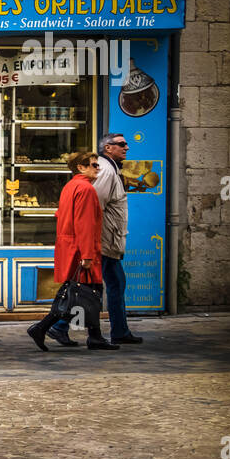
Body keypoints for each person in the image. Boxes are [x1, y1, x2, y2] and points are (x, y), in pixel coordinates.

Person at [47, 132, 142, 345]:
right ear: (108, 148)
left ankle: (106, 332)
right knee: (94, 288)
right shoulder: (102, 175)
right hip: (103, 240)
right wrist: (88, 249)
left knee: (92, 287)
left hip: (104, 240)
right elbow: (89, 213)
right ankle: (64, 327)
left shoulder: (103, 172)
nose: (126, 147)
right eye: (121, 144)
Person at [27, 151, 119, 351]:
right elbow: (84, 224)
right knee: (82, 294)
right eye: (94, 165)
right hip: (82, 248)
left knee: (80, 293)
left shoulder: (70, 186)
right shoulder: (86, 189)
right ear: (81, 167)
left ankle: (93, 336)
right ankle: (42, 328)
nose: (98, 168)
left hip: (69, 246)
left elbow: (61, 215)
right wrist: (87, 254)